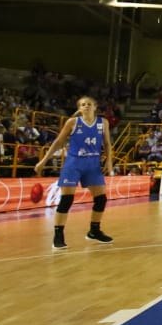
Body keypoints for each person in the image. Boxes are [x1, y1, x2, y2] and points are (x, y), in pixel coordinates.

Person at [35, 96, 115, 250]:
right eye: (82, 104)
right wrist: (43, 161)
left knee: (101, 199)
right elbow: (58, 142)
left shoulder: (102, 123)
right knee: (67, 199)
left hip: (93, 164)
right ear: (79, 108)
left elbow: (107, 143)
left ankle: (94, 231)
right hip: (74, 163)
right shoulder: (72, 122)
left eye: (89, 104)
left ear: (95, 106)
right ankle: (58, 235)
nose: (86, 106)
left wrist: (109, 160)